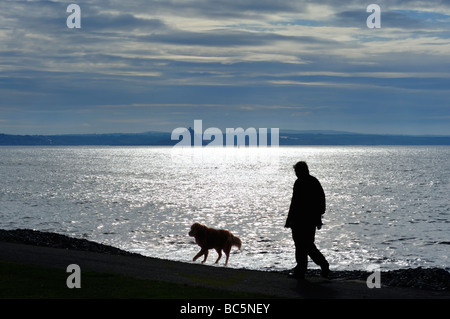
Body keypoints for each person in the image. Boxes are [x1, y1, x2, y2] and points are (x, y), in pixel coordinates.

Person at [285, 161, 330, 280]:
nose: (295, 173)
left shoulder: (301, 182)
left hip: (302, 220)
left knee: (303, 245)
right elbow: (321, 201)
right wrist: (318, 217)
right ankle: (305, 267)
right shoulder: (313, 181)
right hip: (307, 220)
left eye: (296, 171)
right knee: (306, 245)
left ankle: (312, 266)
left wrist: (290, 220)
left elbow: (295, 203)